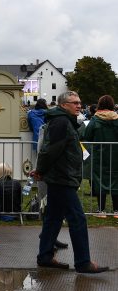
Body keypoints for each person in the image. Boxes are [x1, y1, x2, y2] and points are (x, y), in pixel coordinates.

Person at [35, 91, 109, 273]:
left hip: (61, 177)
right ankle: (83, 262)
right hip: (62, 178)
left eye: (79, 102)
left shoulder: (65, 121)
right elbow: (50, 150)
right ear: (63, 105)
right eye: (74, 102)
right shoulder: (61, 122)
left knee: (53, 218)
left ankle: (45, 256)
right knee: (77, 219)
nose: (78, 105)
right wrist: (41, 170)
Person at [82, 94, 118, 218]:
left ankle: (101, 210)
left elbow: (87, 136)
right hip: (115, 155)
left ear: (100, 105)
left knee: (99, 180)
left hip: (99, 155)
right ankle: (116, 211)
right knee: (116, 179)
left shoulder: (95, 119)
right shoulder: (117, 119)